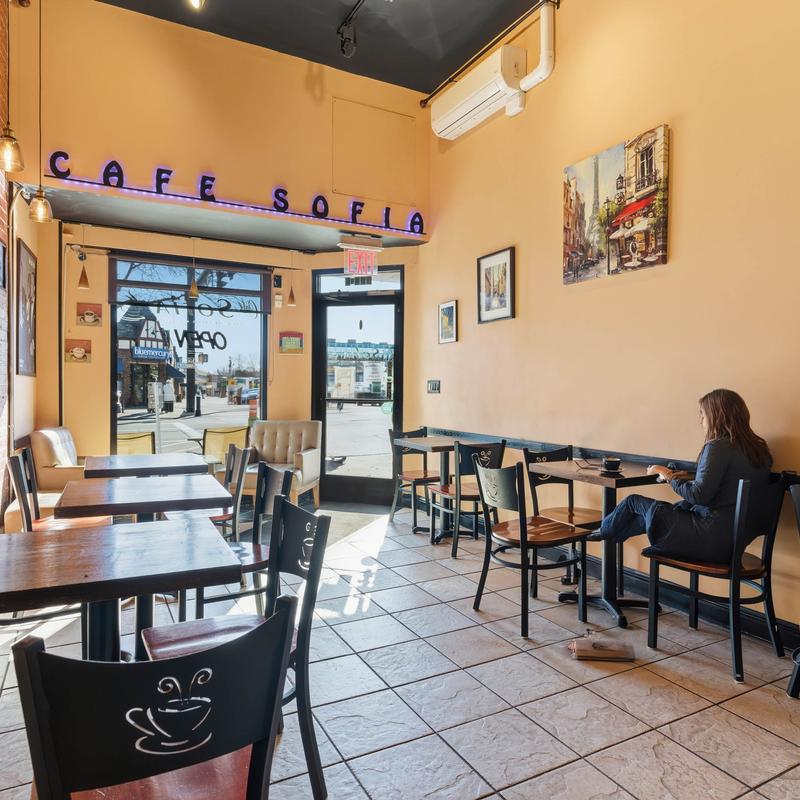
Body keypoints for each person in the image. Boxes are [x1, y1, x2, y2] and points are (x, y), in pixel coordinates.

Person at [589, 389, 772, 563]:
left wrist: (667, 474)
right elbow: (726, 484)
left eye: (703, 414)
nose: (701, 420)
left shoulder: (717, 446)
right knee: (663, 511)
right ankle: (609, 534)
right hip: (732, 544)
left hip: (709, 540)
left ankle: (601, 533)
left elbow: (698, 495)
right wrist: (689, 475)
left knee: (633, 502)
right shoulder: (760, 450)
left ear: (717, 415)